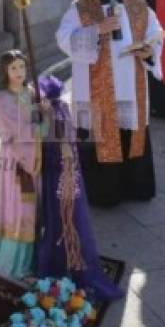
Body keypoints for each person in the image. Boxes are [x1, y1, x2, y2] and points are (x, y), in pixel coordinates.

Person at [56, 0, 165, 207]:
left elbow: (155, 33)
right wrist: (97, 30)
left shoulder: (137, 5)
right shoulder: (81, 7)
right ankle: (103, 193)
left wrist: (149, 50)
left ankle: (134, 187)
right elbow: (63, 38)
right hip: (94, 87)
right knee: (98, 131)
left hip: (130, 83)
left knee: (129, 130)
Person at [36, 75, 123, 301]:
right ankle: (72, 257)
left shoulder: (52, 113)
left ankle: (66, 262)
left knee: (63, 218)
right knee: (69, 217)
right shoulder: (62, 107)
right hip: (67, 172)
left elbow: (61, 144)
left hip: (60, 173)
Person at [0, 50, 42, 280]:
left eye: (22, 67)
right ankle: (14, 261)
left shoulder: (31, 91)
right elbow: (13, 131)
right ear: (5, 71)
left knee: (33, 205)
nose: (19, 72)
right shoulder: (2, 98)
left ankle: (33, 256)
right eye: (14, 68)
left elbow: (40, 118)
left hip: (34, 155)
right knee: (20, 206)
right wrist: (40, 129)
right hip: (17, 161)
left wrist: (47, 111)